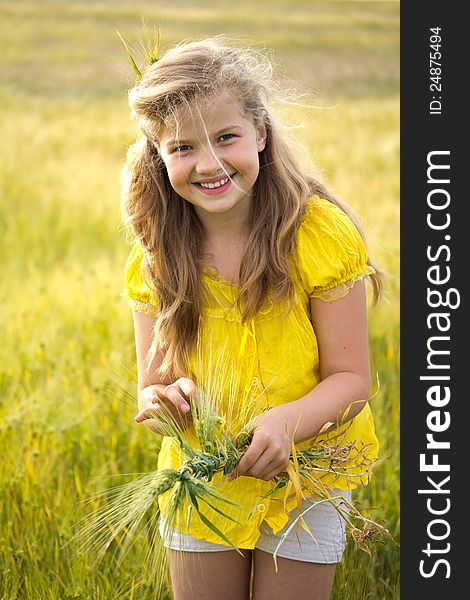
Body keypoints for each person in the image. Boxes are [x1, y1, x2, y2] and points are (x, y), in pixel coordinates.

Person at [121, 35, 384, 600]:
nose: (209, 163)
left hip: (309, 473)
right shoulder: (157, 259)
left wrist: (288, 422)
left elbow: (352, 380)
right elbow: (153, 387)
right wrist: (164, 401)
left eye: (226, 138)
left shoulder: (316, 235)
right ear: (158, 153)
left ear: (260, 134)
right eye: (183, 147)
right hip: (204, 479)